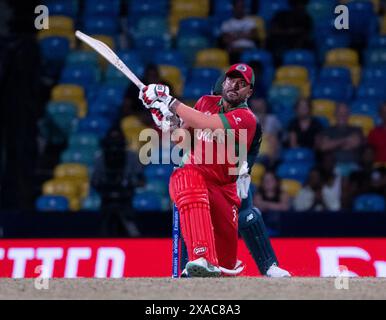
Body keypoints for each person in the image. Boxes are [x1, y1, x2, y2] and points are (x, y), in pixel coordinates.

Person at [138, 63, 288, 277]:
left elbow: (207, 122)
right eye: (231, 80)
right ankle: (196, 261)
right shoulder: (205, 102)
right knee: (187, 181)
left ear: (249, 92)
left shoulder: (245, 118)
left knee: (245, 219)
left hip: (231, 180)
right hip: (200, 175)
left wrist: (169, 102)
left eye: (241, 83)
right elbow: (184, 139)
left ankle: (268, 266)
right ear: (222, 83)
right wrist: (166, 121)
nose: (234, 86)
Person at [316, 103, 364, 177]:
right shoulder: (328, 130)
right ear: (335, 114)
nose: (342, 115)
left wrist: (333, 144)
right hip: (335, 166)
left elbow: (355, 144)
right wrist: (346, 140)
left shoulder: (356, 130)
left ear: (349, 114)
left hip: (353, 165)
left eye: (345, 113)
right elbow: (324, 147)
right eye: (340, 113)